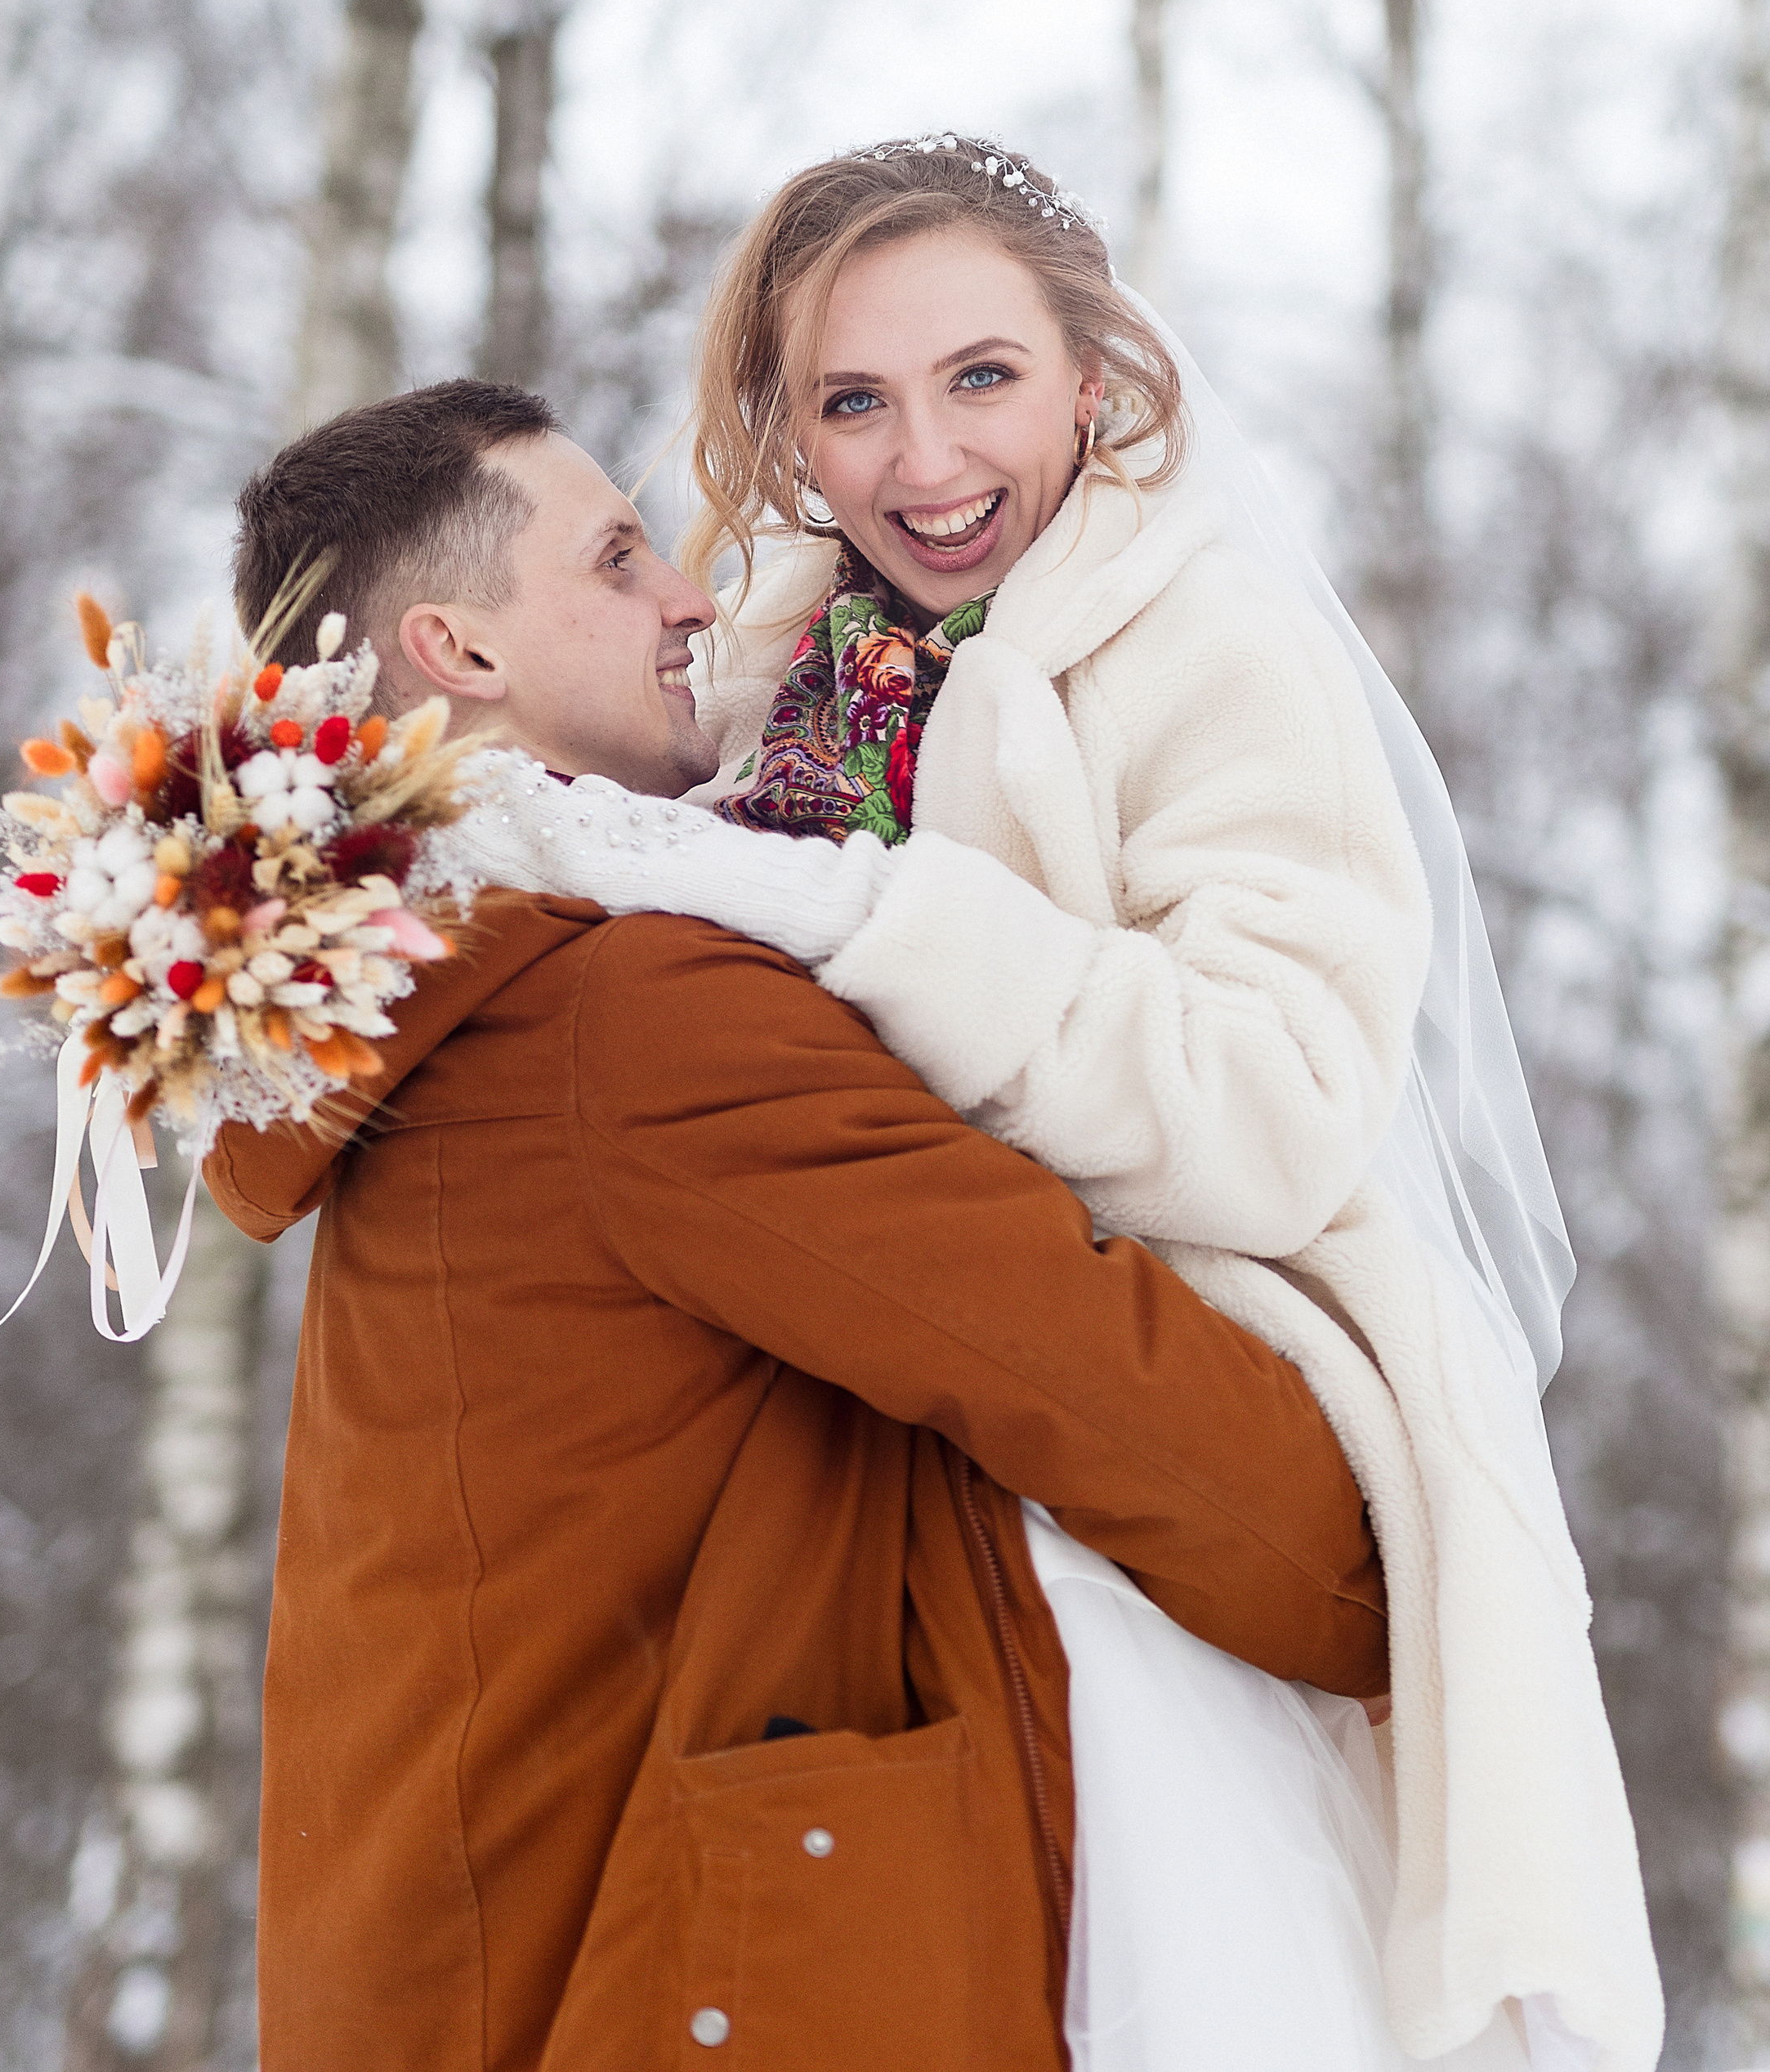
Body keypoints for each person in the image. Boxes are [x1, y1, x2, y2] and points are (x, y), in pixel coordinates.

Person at [447, 138, 1661, 2072]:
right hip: (865, 1372)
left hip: (1152, 1378)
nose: (923, 463)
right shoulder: (782, 652)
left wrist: (870, 916)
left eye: (980, 379)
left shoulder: (1212, 646)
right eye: (853, 401)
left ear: (1092, 375)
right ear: (785, 425)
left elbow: (1271, 1105)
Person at [208, 378, 1393, 2072]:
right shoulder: (622, 1017)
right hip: (675, 1977)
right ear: (459, 654)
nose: (687, 592)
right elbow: (1090, 1373)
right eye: (614, 559)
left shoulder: (430, 1012)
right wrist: (1400, 1599)